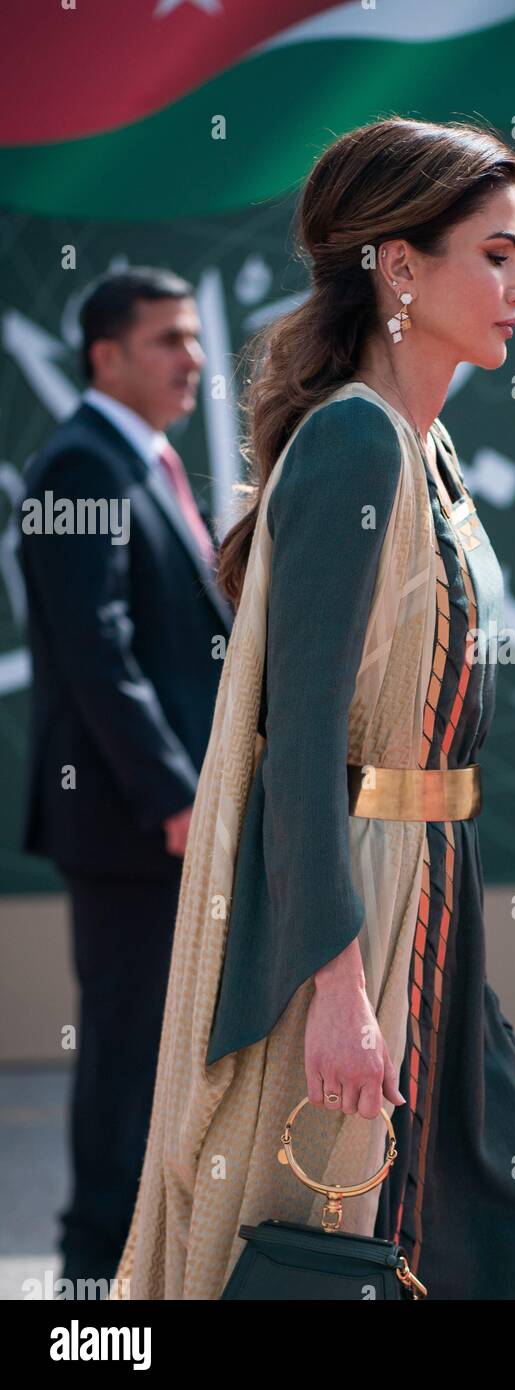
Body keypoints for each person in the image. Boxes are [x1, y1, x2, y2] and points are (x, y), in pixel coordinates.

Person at [110, 117, 515, 1301]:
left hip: (434, 904)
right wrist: (338, 990)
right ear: (399, 266)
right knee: (351, 1256)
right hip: (359, 922)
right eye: (492, 255)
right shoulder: (354, 439)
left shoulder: (422, 445)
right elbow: (295, 746)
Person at [19, 267, 232, 1283]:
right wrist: (176, 797)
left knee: (161, 1063)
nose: (193, 358)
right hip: (134, 831)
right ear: (105, 356)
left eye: (195, 338)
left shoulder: (141, 462)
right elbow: (97, 652)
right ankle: (91, 1295)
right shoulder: (80, 468)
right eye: (168, 340)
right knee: (124, 1062)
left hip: (165, 828)